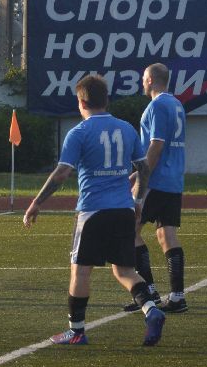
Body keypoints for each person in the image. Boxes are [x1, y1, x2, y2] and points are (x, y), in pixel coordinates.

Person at [23, 73, 167, 347]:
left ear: (81, 102)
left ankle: (76, 331)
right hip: (123, 210)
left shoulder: (79, 132)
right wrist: (137, 202)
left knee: (80, 271)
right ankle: (151, 310)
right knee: (124, 270)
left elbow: (62, 173)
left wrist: (36, 202)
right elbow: (144, 168)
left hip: (92, 211)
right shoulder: (126, 128)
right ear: (107, 100)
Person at [124, 63, 190, 313]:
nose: (141, 82)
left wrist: (143, 175)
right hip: (173, 179)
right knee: (166, 235)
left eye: (143, 78)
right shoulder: (176, 104)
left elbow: (157, 145)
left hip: (156, 180)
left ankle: (148, 293)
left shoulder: (158, 105)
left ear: (150, 80)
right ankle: (177, 296)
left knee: (130, 231)